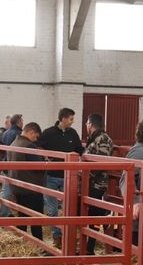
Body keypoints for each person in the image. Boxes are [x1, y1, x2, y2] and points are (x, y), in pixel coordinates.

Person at [38, 108, 85, 248]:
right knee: (52, 210)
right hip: (51, 175)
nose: (73, 121)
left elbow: (79, 150)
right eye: (71, 118)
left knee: (68, 208)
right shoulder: (48, 133)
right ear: (63, 119)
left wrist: (82, 158)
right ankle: (57, 236)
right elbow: (38, 146)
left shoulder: (73, 133)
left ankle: (68, 237)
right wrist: (45, 156)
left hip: (68, 176)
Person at [82, 113, 115, 255]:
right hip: (89, 183)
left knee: (94, 215)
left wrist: (85, 175)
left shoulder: (103, 139)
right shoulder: (95, 138)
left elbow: (101, 162)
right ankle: (86, 245)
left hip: (96, 184)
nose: (86, 126)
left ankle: (90, 247)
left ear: (90, 124)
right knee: (87, 213)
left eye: (87, 124)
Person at [8, 121, 45, 240]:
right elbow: (38, 167)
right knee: (36, 218)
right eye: (35, 136)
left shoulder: (13, 144)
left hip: (17, 187)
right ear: (31, 132)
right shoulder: (29, 146)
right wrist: (45, 163)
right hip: (31, 188)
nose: (35, 139)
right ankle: (40, 245)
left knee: (22, 216)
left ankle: (20, 241)